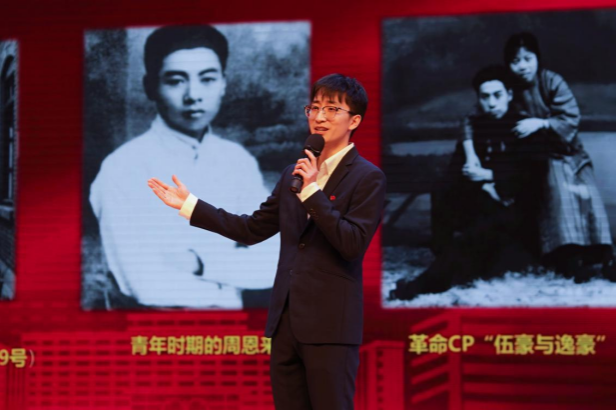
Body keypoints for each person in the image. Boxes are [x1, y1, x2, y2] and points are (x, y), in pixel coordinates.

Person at [149, 74, 386, 410]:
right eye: (314, 108)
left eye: (332, 109)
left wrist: (312, 191)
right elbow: (251, 229)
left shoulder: (367, 177)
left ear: (355, 121)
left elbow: (351, 243)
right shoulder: (293, 173)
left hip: (330, 327)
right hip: (285, 324)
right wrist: (191, 205)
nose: (319, 117)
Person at [90, 25, 279, 309]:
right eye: (176, 81)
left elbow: (279, 258)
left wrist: (199, 263)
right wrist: (230, 281)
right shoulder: (122, 168)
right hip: (151, 326)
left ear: (223, 84)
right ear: (150, 87)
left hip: (232, 326)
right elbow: (145, 284)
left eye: (207, 79)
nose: (193, 95)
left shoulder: (237, 161)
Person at [392, 66, 539, 300]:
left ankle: (421, 286)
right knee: (443, 190)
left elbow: (531, 177)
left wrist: (489, 176)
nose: (491, 103)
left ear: (510, 95)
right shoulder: (475, 126)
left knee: (476, 237)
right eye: (485, 97)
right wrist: (475, 179)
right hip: (484, 200)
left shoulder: (524, 126)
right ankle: (442, 255)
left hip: (515, 208)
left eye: (497, 95)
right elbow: (455, 171)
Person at [503, 32, 615, 283]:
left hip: (571, 152)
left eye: (528, 58)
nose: (522, 66)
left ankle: (604, 255)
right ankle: (571, 257)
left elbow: (570, 117)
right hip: (540, 156)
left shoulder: (552, 81)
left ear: (537, 59)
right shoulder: (508, 89)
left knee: (588, 192)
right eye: (515, 61)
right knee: (560, 191)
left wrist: (541, 123)